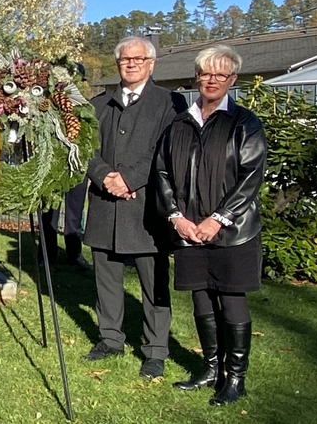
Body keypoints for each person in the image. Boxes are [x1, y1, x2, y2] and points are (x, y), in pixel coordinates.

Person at [154, 45, 265, 406]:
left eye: (221, 74)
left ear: (232, 79)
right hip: (189, 231)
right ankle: (211, 368)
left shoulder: (244, 124)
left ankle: (236, 378)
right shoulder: (180, 123)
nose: (212, 80)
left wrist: (217, 220)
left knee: (230, 300)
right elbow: (163, 173)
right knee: (201, 298)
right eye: (206, 73)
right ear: (197, 77)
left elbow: (250, 179)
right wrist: (177, 217)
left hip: (234, 232)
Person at [83, 36, 188, 379]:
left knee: (153, 283)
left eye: (138, 59)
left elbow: (165, 149)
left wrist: (129, 179)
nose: (131, 64)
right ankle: (110, 338)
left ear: (151, 63)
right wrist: (103, 176)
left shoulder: (169, 103)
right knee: (107, 279)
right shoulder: (99, 104)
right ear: (117, 65)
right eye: (125, 60)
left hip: (145, 208)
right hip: (104, 205)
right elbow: (85, 148)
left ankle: (155, 350)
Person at [40, 179, 91, 270]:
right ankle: (46, 254)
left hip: (78, 168)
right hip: (54, 168)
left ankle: (74, 254)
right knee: (50, 212)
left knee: (75, 212)